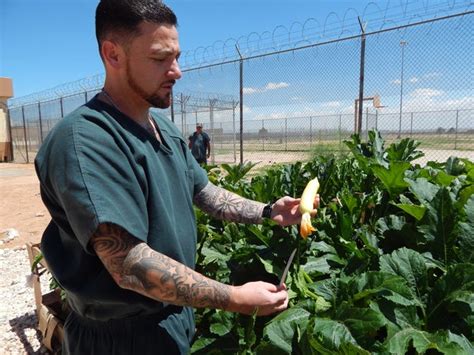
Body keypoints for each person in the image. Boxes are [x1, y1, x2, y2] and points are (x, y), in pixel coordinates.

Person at [34, 1, 318, 354]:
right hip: (120, 339)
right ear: (113, 55)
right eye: (159, 59)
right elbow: (128, 264)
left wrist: (269, 210)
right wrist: (234, 298)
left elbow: (205, 192)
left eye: (177, 56)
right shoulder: (85, 141)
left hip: (172, 320)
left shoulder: (163, 130)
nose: (177, 71)